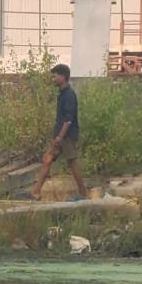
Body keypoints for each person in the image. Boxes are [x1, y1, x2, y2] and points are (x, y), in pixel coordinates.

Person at [28, 64, 88, 201]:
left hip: (66, 136)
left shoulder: (69, 95)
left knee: (72, 162)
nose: (53, 79)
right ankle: (35, 192)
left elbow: (69, 119)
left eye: (55, 76)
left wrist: (60, 136)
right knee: (47, 159)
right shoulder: (62, 94)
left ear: (63, 76)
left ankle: (83, 193)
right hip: (59, 136)